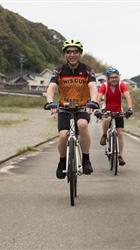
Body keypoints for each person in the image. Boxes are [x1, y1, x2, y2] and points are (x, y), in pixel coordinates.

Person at [45, 39, 99, 179]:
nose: (72, 54)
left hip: (82, 107)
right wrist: (50, 102)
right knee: (63, 136)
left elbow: (93, 87)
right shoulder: (59, 70)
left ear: (80, 53)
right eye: (69, 52)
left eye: (75, 51)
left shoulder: (87, 69)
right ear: (65, 54)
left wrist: (93, 101)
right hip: (64, 108)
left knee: (82, 124)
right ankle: (62, 162)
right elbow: (51, 87)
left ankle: (86, 159)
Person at [95, 67, 133, 166]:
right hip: (107, 108)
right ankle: (104, 134)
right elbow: (98, 97)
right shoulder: (104, 86)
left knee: (120, 133)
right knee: (106, 119)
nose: (114, 79)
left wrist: (129, 109)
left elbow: (127, 96)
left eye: (116, 77)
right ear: (108, 78)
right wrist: (97, 109)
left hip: (118, 110)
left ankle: (120, 155)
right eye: (112, 77)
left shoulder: (121, 85)